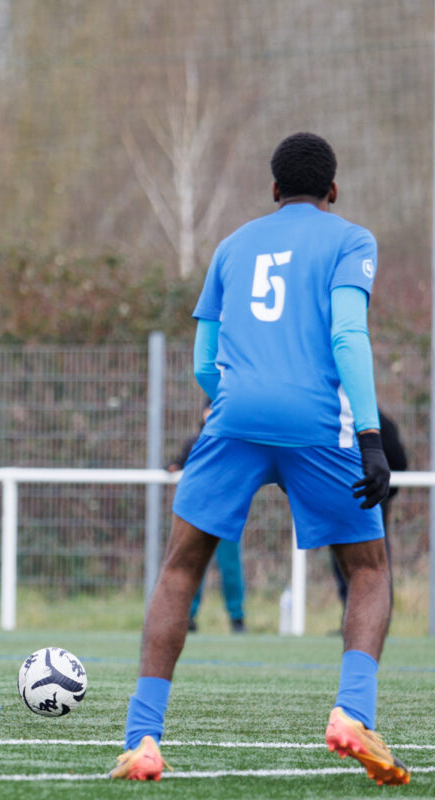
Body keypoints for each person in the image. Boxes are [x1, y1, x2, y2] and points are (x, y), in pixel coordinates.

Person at [112, 133, 408, 785]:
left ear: (273, 191)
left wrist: (237, 407)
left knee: (180, 569)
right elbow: (347, 334)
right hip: (315, 423)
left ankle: (142, 739)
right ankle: (352, 714)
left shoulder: (232, 245)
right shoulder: (350, 239)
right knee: (368, 568)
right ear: (333, 191)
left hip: (235, 417)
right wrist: (368, 435)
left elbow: (200, 363)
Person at [168, 403, 245, 634]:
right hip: (198, 516)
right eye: (208, 408)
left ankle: (237, 618)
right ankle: (188, 617)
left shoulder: (234, 441)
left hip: (227, 515)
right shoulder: (194, 442)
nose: (211, 413)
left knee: (230, 569)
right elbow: (178, 464)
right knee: (192, 566)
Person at [331, 409, 406, 612]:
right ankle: (356, 617)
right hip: (348, 503)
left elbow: (399, 464)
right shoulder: (341, 418)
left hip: (367, 504)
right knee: (354, 564)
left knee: (369, 564)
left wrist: (383, 495)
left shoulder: (380, 423)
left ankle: (376, 616)